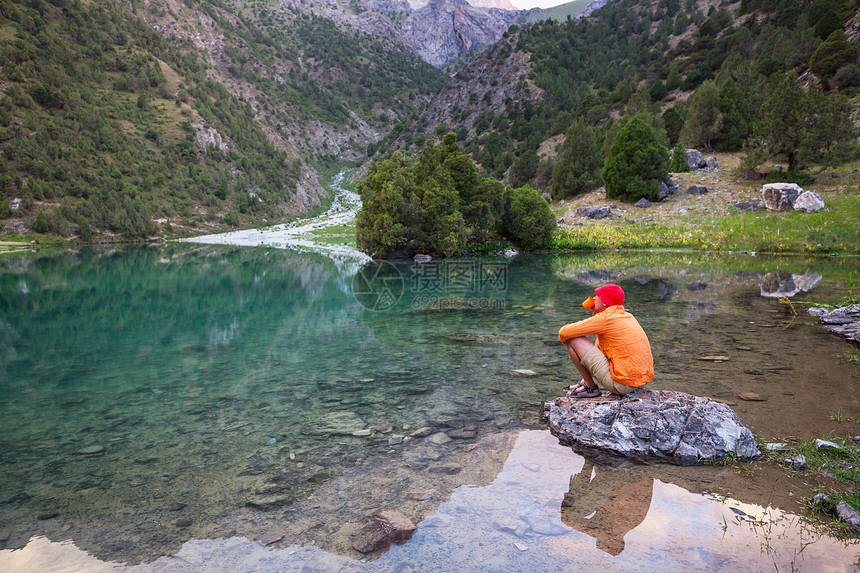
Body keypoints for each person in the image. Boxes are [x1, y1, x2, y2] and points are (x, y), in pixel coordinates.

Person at [558, 283, 653, 398]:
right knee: (601, 338)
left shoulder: (605, 319)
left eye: (596, 296)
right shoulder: (627, 316)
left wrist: (572, 349)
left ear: (604, 302)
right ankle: (585, 381)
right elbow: (600, 347)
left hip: (622, 385)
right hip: (641, 382)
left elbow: (563, 332)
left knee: (573, 338)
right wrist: (598, 313)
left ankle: (590, 386)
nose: (593, 299)